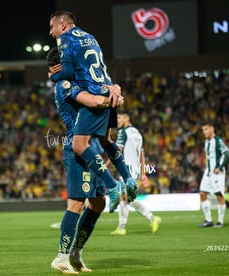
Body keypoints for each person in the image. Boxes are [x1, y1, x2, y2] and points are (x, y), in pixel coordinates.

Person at [49, 11, 138, 206]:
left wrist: (53, 76)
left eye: (52, 27)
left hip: (93, 93)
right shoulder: (90, 37)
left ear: (63, 25)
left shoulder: (64, 39)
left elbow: (69, 72)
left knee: (79, 145)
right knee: (106, 140)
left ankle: (112, 185)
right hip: (107, 89)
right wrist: (113, 87)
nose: (51, 32)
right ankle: (129, 178)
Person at [47, 46, 124, 274]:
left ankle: (76, 252)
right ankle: (60, 257)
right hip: (77, 150)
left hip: (92, 149)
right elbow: (91, 102)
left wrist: (114, 89)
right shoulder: (65, 85)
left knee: (98, 203)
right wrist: (112, 99)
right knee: (77, 204)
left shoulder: (80, 81)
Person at [110, 113, 162, 235]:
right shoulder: (138, 134)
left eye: (119, 118)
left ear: (127, 119)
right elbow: (142, 155)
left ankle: (124, 227)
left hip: (126, 168)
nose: (117, 120)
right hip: (135, 169)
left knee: (125, 197)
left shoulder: (123, 132)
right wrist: (143, 173)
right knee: (128, 198)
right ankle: (150, 219)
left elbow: (117, 151)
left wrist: (105, 164)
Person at [198, 122, 229, 228]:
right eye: (203, 130)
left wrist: (219, 167)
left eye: (206, 129)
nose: (204, 132)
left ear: (212, 129)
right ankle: (208, 220)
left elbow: (227, 154)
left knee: (219, 195)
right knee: (202, 193)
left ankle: (220, 221)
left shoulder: (218, 141)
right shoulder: (206, 142)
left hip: (217, 172)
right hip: (208, 172)